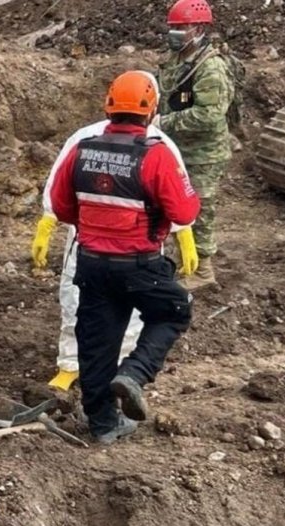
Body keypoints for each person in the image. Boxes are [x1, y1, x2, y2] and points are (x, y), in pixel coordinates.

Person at [48, 71, 201, 444]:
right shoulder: (157, 154)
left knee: (96, 342)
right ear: (151, 111)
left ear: (109, 107)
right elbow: (184, 211)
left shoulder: (82, 149)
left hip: (91, 263)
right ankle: (134, 373)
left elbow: (61, 206)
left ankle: (102, 423)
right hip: (139, 264)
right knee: (173, 311)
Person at [157, 0, 233, 291]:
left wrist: (165, 123)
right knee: (173, 204)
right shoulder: (176, 59)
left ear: (199, 28)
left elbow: (210, 115)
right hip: (178, 149)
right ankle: (183, 259)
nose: (175, 33)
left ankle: (203, 270)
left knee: (199, 210)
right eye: (173, 27)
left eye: (181, 27)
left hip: (204, 154)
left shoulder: (210, 67)